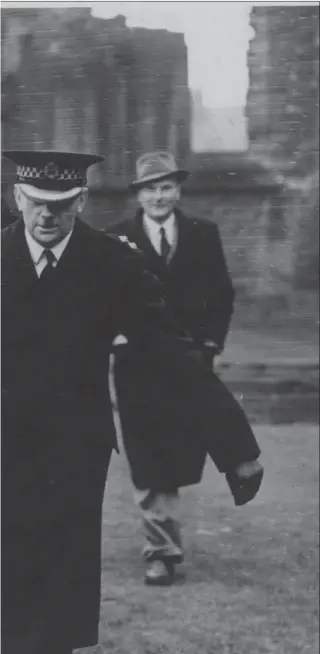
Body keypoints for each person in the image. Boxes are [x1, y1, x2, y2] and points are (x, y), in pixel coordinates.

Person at [1, 148, 262, 654]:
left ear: (81, 203)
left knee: (49, 614)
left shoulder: (112, 265)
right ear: (15, 197)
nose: (47, 218)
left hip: (68, 469)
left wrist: (235, 446)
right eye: (36, 203)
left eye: (61, 207)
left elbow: (173, 354)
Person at [109, 151, 243, 586]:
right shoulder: (116, 239)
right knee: (148, 455)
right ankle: (160, 551)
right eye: (150, 187)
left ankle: (238, 468)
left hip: (189, 363)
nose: (159, 196)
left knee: (182, 450)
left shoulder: (203, 234)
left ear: (178, 190)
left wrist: (208, 343)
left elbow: (221, 294)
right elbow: (100, 298)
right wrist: (116, 336)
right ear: (138, 194)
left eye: (166, 186)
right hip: (138, 366)